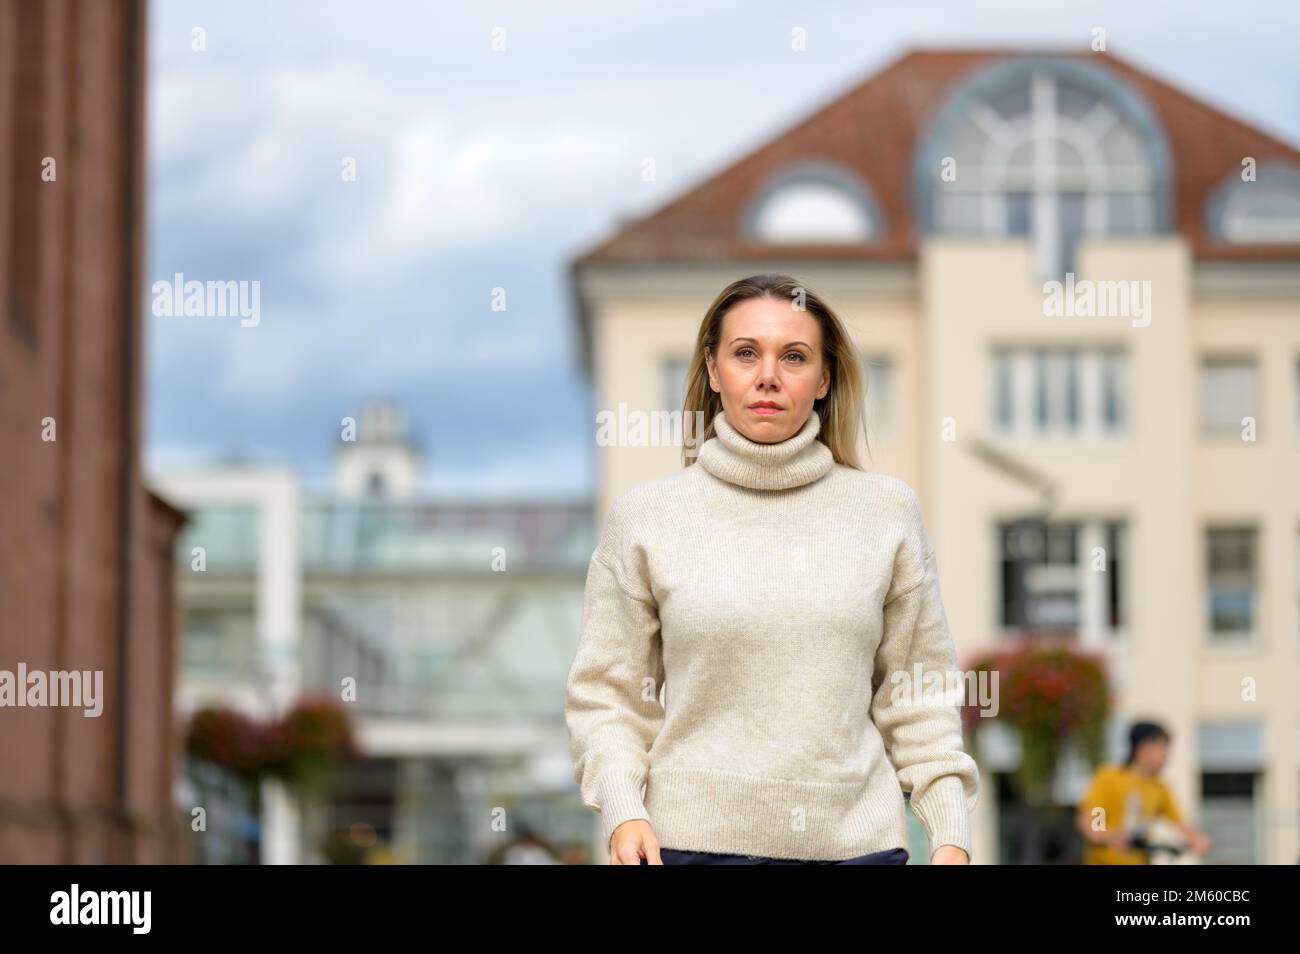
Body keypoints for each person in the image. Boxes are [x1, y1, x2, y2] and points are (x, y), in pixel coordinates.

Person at [564, 273, 980, 866]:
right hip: (687, 850)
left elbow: (920, 695)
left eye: (794, 356)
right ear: (712, 370)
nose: (767, 375)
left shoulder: (887, 512)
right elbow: (608, 696)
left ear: (824, 379)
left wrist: (950, 836)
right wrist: (623, 809)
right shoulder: (646, 518)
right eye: (744, 353)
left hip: (857, 852)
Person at [1075, 720, 1212, 864]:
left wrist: (1196, 838)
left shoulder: (1159, 787)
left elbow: (1179, 821)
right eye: (1162, 748)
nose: (1166, 756)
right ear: (1143, 748)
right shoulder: (1109, 778)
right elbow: (1094, 815)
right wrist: (1107, 836)